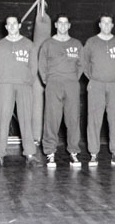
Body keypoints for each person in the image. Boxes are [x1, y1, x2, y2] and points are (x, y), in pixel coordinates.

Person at [0, 15, 41, 167]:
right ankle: (0, 154)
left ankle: (30, 154)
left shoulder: (29, 45)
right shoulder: (0, 45)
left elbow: (33, 67)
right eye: (9, 24)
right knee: (3, 119)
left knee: (26, 119)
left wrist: (27, 81)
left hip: (24, 85)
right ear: (6, 27)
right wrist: (3, 80)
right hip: (5, 85)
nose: (12, 26)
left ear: (19, 25)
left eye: (15, 23)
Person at [81, 13, 115, 167]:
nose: (106, 25)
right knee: (94, 119)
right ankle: (93, 154)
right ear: (99, 25)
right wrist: (93, 78)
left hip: (114, 85)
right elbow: (84, 62)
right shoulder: (91, 42)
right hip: (96, 84)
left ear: (112, 25)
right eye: (104, 23)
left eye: (109, 23)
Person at [39, 13, 83, 168]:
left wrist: (72, 79)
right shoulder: (48, 44)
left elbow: (81, 65)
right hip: (53, 84)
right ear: (55, 25)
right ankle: (50, 152)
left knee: (73, 119)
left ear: (69, 25)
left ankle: (73, 152)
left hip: (71, 84)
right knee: (51, 119)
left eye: (66, 23)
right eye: (60, 23)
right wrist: (49, 81)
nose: (63, 25)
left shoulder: (77, 44)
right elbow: (42, 66)